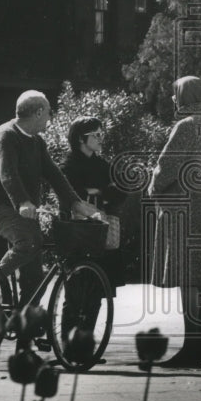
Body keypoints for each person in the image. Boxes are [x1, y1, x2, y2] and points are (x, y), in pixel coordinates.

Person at [0, 90, 97, 305]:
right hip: (0, 209)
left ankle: (24, 327)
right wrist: (22, 201)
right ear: (39, 112)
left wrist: (76, 202)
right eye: (49, 113)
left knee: (36, 280)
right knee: (31, 243)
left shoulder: (36, 142)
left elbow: (54, 175)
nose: (50, 118)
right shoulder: (6, 135)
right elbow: (8, 175)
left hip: (25, 214)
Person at [147, 76, 201, 367]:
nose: (172, 100)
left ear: (185, 95)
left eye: (175, 94)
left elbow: (167, 166)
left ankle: (192, 347)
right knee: (199, 279)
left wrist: (153, 187)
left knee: (188, 280)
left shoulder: (187, 125)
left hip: (181, 209)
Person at [58, 116, 129, 346]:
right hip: (76, 231)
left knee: (98, 290)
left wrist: (96, 192)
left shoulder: (102, 164)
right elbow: (70, 196)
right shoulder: (69, 164)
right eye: (95, 135)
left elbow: (120, 193)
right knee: (75, 291)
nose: (101, 138)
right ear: (81, 138)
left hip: (100, 231)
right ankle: (69, 346)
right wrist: (102, 193)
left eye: (101, 134)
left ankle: (85, 345)